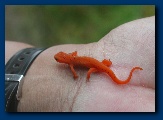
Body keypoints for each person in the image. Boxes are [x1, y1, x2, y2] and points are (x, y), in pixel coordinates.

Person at [5, 16, 155, 112]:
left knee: (91, 71)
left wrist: (82, 75)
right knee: (103, 65)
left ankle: (93, 73)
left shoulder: (71, 63)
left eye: (58, 59)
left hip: (96, 66)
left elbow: (75, 73)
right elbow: (75, 62)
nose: (58, 60)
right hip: (101, 64)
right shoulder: (70, 60)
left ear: (64, 58)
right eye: (58, 58)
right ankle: (106, 65)